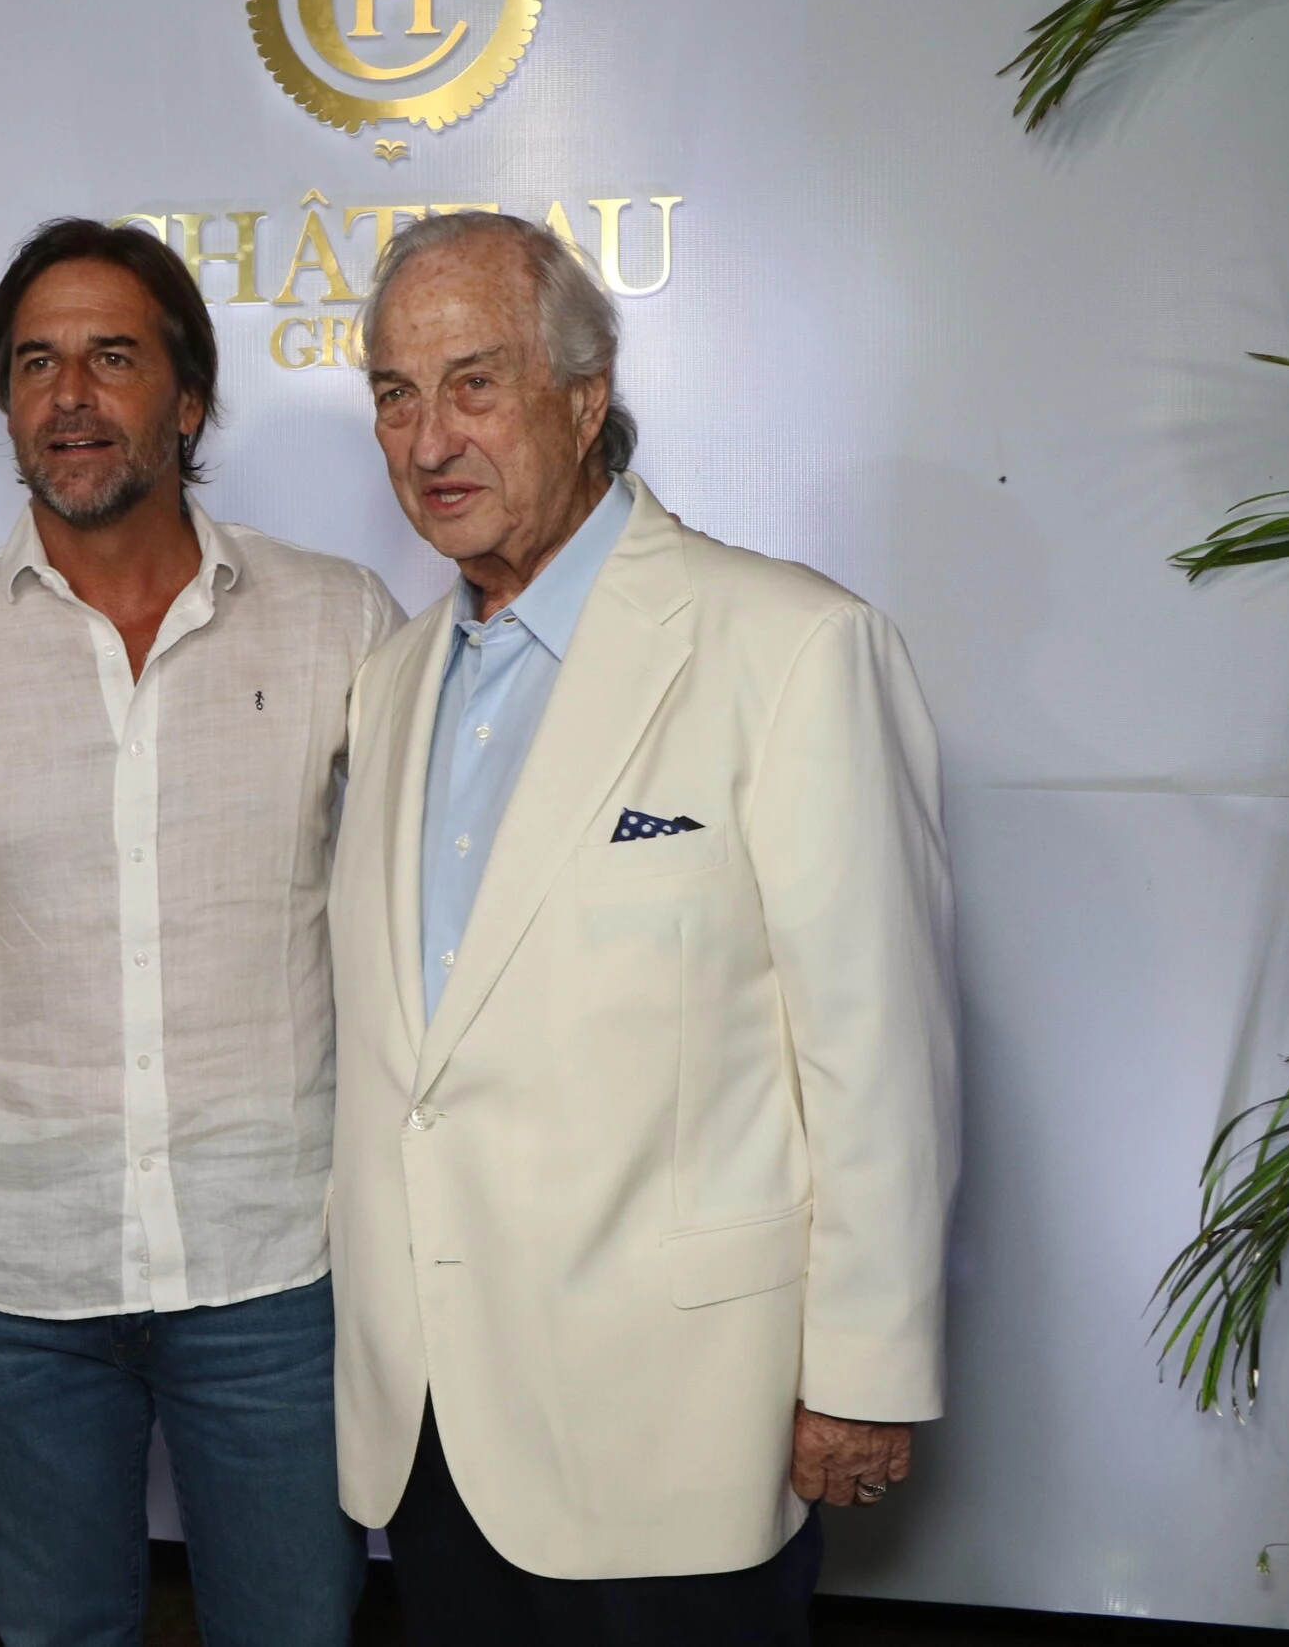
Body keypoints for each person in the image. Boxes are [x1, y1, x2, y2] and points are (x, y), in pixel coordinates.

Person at [326, 210, 959, 1646]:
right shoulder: (391, 678)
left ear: (584, 396)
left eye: (475, 384)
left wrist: (863, 1369)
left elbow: (877, 1051)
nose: (430, 440)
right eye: (395, 395)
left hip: (677, 1425)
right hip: (432, 1425)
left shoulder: (790, 646)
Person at [0, 217, 402, 1647]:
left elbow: (415, 929)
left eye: (112, 357)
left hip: (278, 1264)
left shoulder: (337, 621)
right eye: (36, 363)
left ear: (188, 400)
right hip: (14, 1280)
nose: (69, 395)